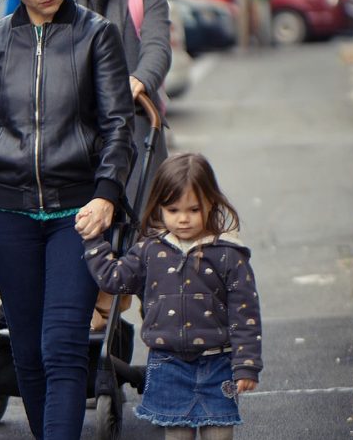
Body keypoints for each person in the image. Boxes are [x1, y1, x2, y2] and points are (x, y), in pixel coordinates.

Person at [0, 0, 135, 439]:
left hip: (77, 215)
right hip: (7, 215)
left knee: (64, 345)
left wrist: (106, 196)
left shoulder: (97, 36)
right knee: (26, 348)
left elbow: (120, 127)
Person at [83, 152, 263, 440]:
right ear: (159, 208)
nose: (183, 219)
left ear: (211, 204)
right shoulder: (150, 250)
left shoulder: (228, 255)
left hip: (218, 363)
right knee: (177, 435)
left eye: (193, 209)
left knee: (220, 434)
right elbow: (113, 278)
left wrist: (246, 365)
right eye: (173, 210)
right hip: (167, 364)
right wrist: (93, 241)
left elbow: (245, 313)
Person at [67, 0, 174, 332]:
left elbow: (157, 47)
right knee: (86, 219)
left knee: (140, 223)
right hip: (74, 127)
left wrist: (140, 80)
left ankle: (132, 304)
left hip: (134, 126)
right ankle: (99, 308)